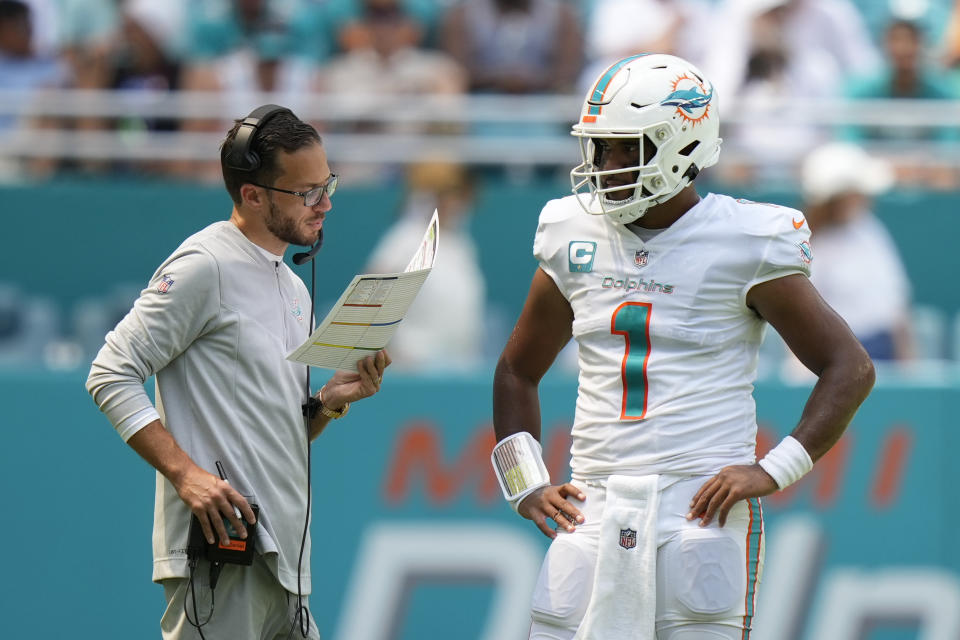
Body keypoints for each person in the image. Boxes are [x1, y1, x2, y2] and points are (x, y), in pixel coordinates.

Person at [490, 54, 875, 639]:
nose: (607, 166)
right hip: (592, 500)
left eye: (627, 148)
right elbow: (517, 370)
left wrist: (774, 470)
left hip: (697, 503)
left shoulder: (746, 239)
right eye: (601, 149)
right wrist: (525, 483)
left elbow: (849, 367)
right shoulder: (572, 231)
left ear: (682, 148)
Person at [86, 105, 390, 640]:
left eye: (328, 185)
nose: (325, 204)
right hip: (222, 559)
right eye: (307, 192)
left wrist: (328, 403)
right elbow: (110, 373)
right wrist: (186, 474)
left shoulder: (294, 287)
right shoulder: (203, 264)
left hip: (285, 562)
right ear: (252, 195)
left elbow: (276, 428)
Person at [800, 142, 912, 362]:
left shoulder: (870, 228)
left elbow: (895, 304)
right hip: (833, 353)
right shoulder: (809, 244)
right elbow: (801, 316)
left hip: (882, 348)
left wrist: (907, 358)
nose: (863, 199)